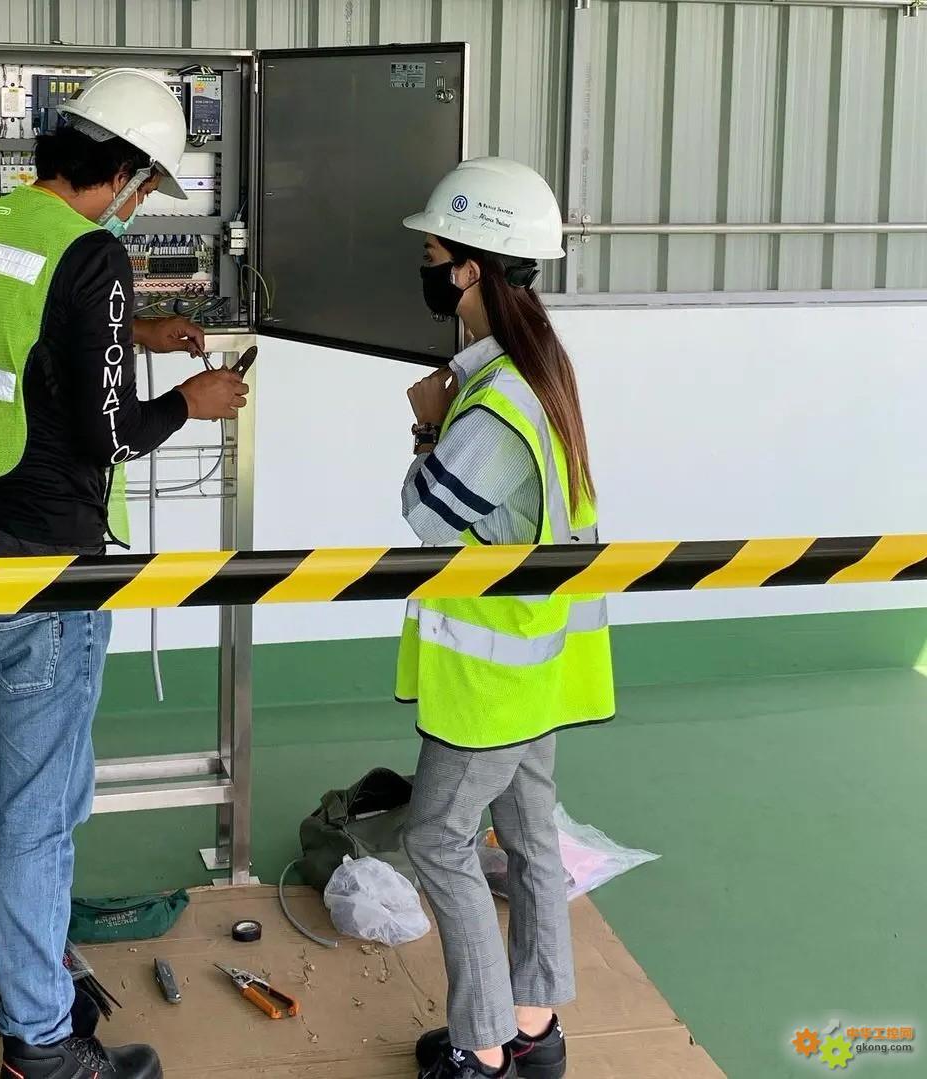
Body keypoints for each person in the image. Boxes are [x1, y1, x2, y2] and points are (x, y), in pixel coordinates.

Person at [0, 69, 247, 1079]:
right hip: (45, 582)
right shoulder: (92, 253)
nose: (139, 205)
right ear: (125, 172)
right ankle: (44, 1041)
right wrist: (192, 399)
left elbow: (20, 354)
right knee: (41, 817)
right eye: (145, 186)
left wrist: (131, 333)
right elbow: (111, 433)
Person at [396, 157, 616, 1079]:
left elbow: (426, 512)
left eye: (434, 257)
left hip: (491, 681)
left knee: (437, 838)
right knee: (528, 840)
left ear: (470, 270)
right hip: (541, 667)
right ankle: (535, 1026)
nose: (427, 272)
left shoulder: (495, 404)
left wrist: (427, 426)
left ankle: (481, 1048)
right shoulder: (542, 368)